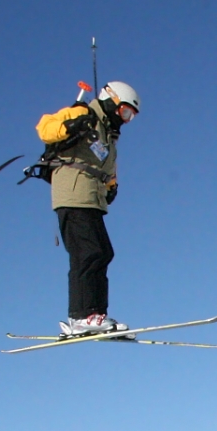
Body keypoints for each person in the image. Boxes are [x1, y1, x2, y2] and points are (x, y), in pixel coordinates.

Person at [35, 81, 140, 336]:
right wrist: (69, 126)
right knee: (88, 252)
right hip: (72, 192)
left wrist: (111, 186)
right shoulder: (83, 113)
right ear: (111, 101)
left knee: (103, 252)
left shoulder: (107, 136)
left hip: (91, 197)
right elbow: (45, 128)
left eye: (131, 116)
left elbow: (107, 166)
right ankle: (81, 316)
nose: (126, 120)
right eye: (125, 112)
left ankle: (96, 315)